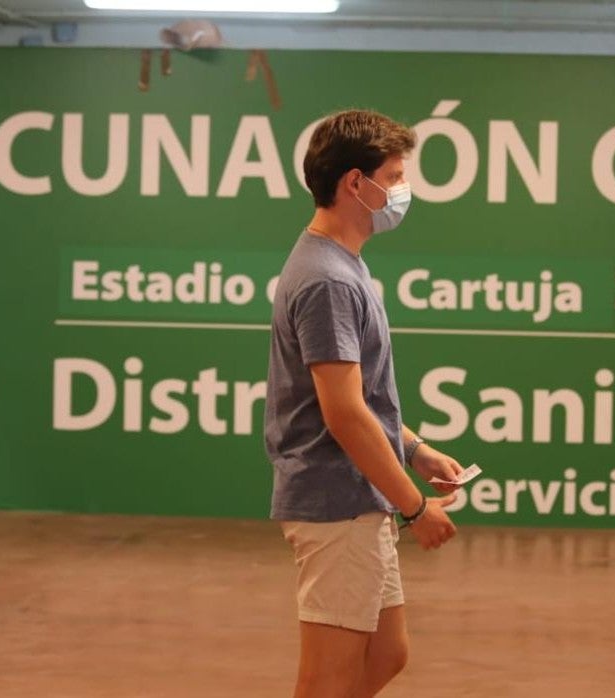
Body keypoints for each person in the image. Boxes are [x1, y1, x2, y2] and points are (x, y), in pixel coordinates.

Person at [265, 109, 464, 698]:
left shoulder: (341, 265)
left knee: (386, 652)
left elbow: (360, 400)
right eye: (394, 175)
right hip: (338, 503)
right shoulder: (327, 278)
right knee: (326, 680)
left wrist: (416, 448)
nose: (401, 190)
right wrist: (414, 506)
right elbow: (344, 414)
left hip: (356, 499)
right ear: (356, 183)